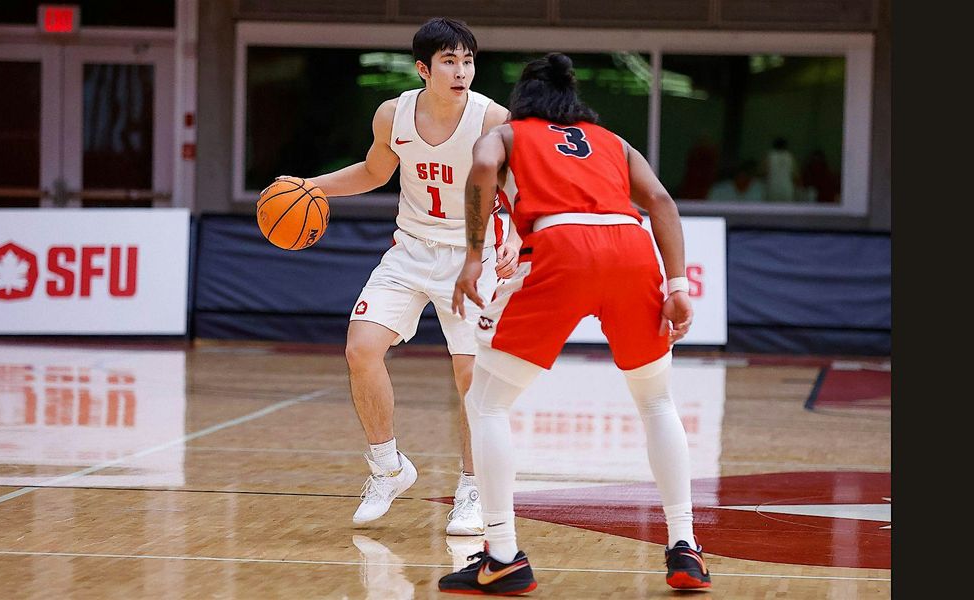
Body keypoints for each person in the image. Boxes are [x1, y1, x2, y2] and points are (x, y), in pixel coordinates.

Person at [437, 52, 710, 595]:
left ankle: (502, 554)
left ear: (524, 100)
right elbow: (659, 200)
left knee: (487, 403)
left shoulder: (510, 133)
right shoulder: (613, 141)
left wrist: (473, 258)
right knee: (657, 401)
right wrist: (676, 285)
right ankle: (686, 549)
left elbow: (484, 167)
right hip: (631, 248)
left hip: (562, 246)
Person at [279, 17, 519, 535]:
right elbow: (373, 172)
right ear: (423, 69)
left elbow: (518, 186)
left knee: (469, 376)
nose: (461, 72)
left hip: (471, 252)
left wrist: (516, 238)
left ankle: (473, 489)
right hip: (410, 249)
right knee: (360, 348)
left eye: (468, 61)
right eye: (449, 62)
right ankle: (387, 467)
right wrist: (310, 186)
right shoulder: (393, 115)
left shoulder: (491, 117)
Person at [763, 136, 799, 202]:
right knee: (786, 211)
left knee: (772, 210)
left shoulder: (770, 156)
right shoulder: (790, 157)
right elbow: (795, 175)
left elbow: (764, 172)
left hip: (773, 187)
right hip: (787, 188)